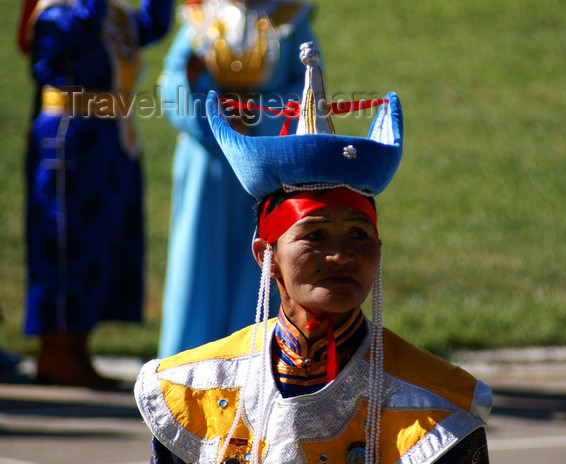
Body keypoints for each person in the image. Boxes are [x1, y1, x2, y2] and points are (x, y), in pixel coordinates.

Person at [135, 43, 492, 463]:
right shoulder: (195, 391)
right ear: (265, 253)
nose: (341, 256)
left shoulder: (435, 405)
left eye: (359, 235)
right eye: (315, 237)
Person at [17, 0, 172, 387]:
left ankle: (78, 349)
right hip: (68, 137)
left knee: (105, 244)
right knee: (67, 245)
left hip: (110, 137)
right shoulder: (54, 12)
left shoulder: (112, 11)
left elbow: (152, 25)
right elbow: (80, 28)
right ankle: (55, 350)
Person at [157, 0, 317, 358]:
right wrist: (208, 113)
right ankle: (189, 357)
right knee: (198, 252)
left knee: (261, 255)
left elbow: (308, 83)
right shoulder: (201, 17)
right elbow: (172, 83)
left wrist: (259, 116)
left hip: (264, 160)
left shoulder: (289, 16)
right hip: (207, 161)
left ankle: (254, 357)